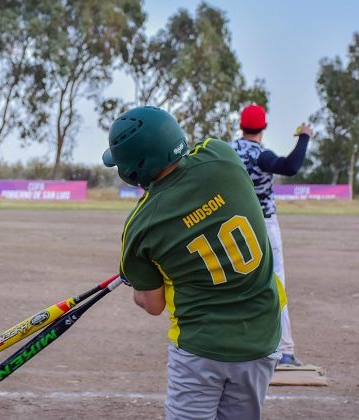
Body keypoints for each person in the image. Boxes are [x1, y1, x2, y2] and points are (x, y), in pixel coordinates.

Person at [103, 106, 285, 419]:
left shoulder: (140, 225)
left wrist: (139, 280)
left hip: (200, 348)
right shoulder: (222, 155)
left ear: (133, 171)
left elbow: (153, 304)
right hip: (263, 338)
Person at [230, 104, 311, 367]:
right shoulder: (261, 154)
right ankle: (284, 350)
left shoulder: (228, 152)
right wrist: (304, 137)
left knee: (236, 285)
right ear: (263, 128)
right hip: (264, 225)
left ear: (241, 126)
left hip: (233, 226)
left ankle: (237, 344)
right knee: (276, 286)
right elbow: (290, 166)